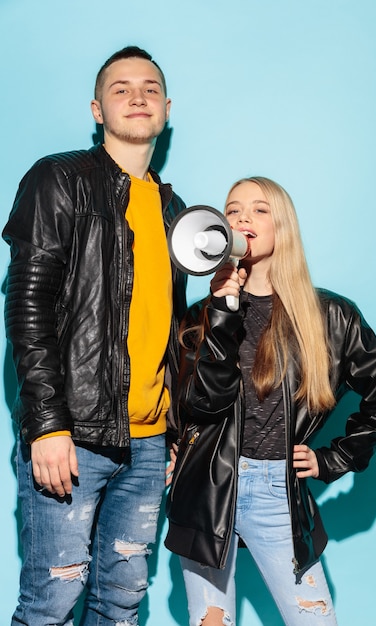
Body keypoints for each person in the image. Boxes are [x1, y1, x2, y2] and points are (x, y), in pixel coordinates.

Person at [164, 176, 376, 626]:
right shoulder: (203, 315)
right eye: (233, 209)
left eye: (260, 209)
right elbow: (198, 406)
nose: (242, 217)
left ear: (284, 226)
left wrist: (333, 459)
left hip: (274, 492)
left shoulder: (331, 316)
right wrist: (223, 312)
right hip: (204, 489)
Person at [3, 45, 188, 626]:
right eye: (121, 88)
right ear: (97, 109)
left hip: (150, 443)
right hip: (74, 437)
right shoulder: (58, 179)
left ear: (166, 110)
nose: (138, 96)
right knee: (51, 604)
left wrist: (176, 431)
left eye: (150, 88)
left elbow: (174, 331)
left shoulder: (176, 211)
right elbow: (26, 306)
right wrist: (46, 424)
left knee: (122, 604)